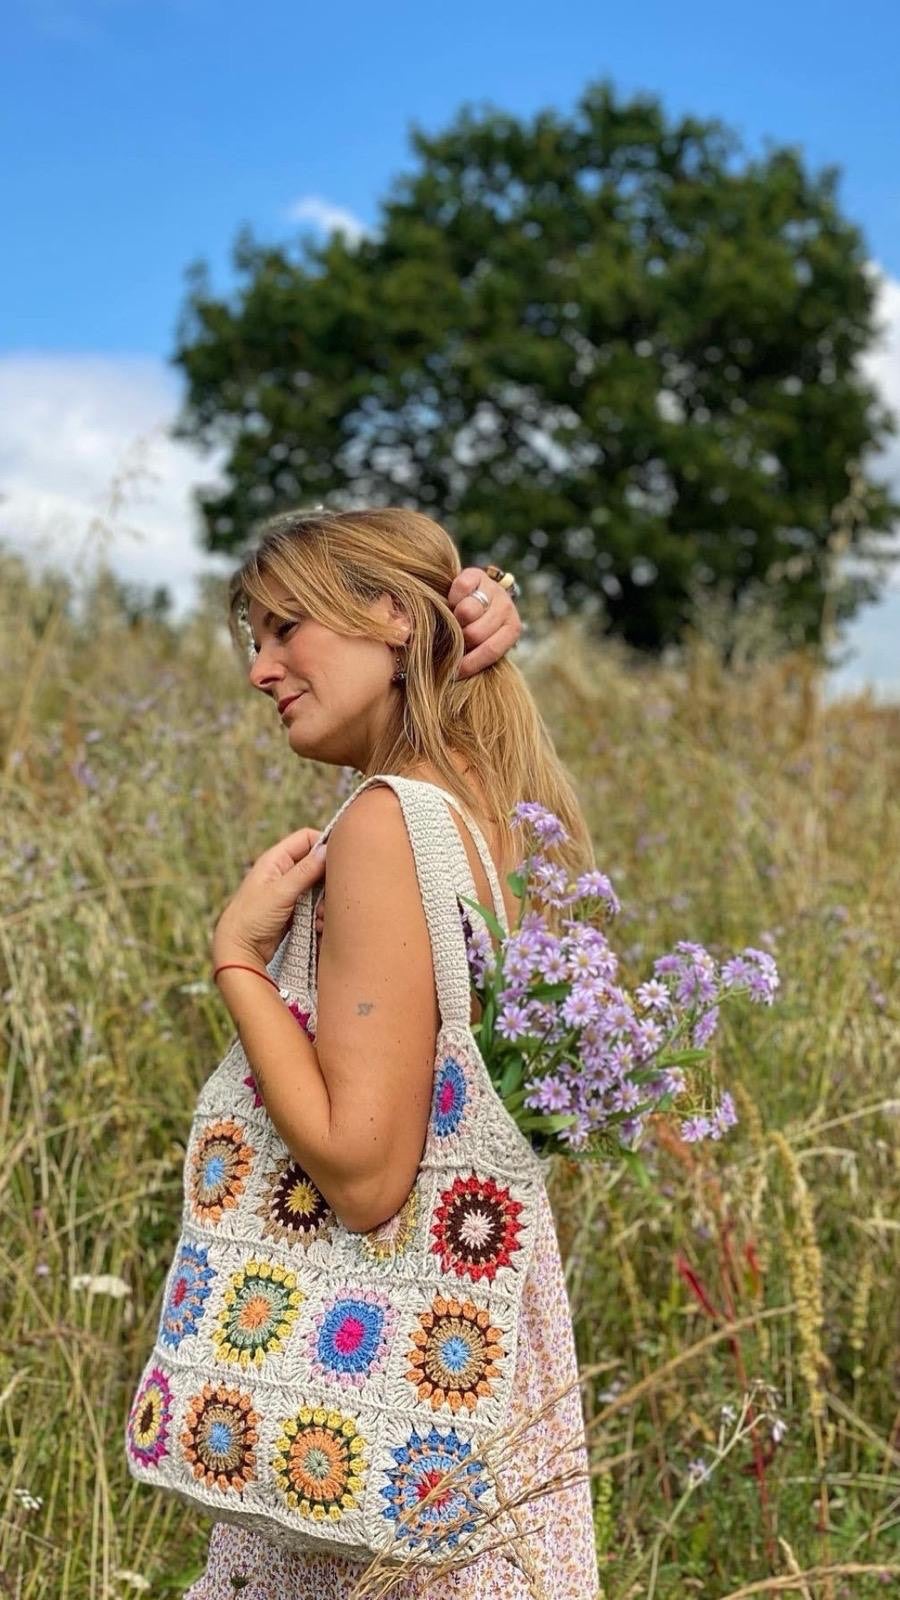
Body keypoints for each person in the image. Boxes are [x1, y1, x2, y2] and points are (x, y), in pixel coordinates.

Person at [183, 506, 600, 1598]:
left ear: (387, 619)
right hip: (477, 1362)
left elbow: (364, 1171)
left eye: (285, 630)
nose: (262, 669)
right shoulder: (490, 805)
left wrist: (236, 956)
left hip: (375, 1395)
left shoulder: (381, 822)